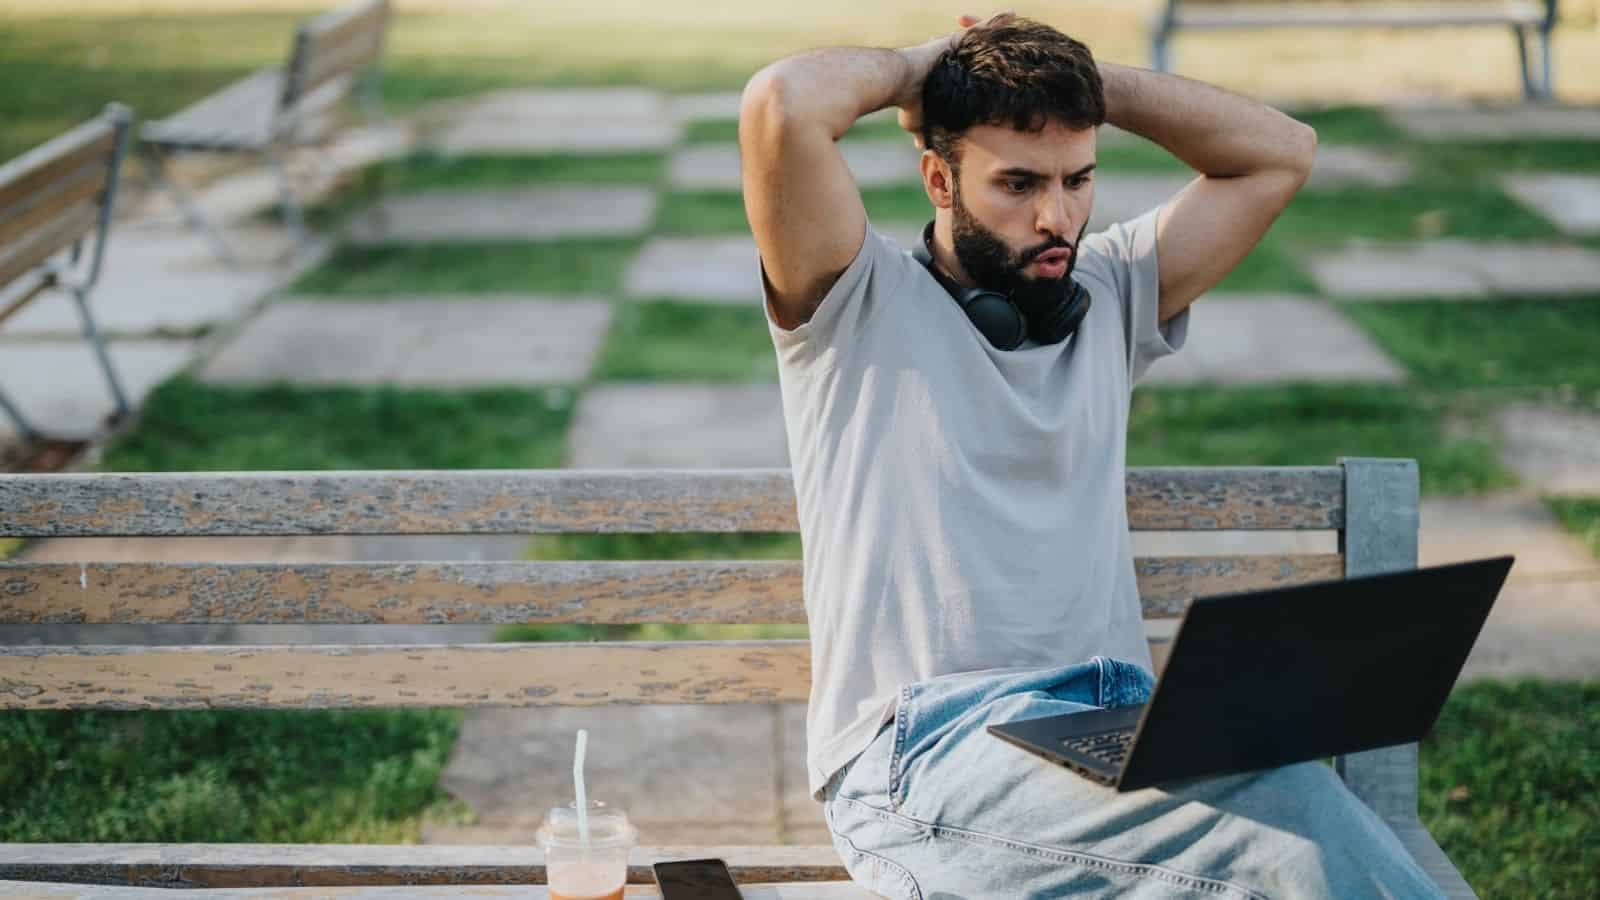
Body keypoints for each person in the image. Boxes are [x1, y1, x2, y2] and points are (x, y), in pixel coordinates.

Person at [737, 12, 1446, 899]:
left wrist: (1068, 80)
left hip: (1117, 736)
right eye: (1018, 182)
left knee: (1285, 807)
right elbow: (780, 105)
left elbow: (1282, 152)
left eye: (1079, 180)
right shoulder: (854, 302)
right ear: (938, 178)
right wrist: (929, 69)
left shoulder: (1107, 291)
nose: (1055, 215)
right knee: (1285, 822)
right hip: (925, 758)